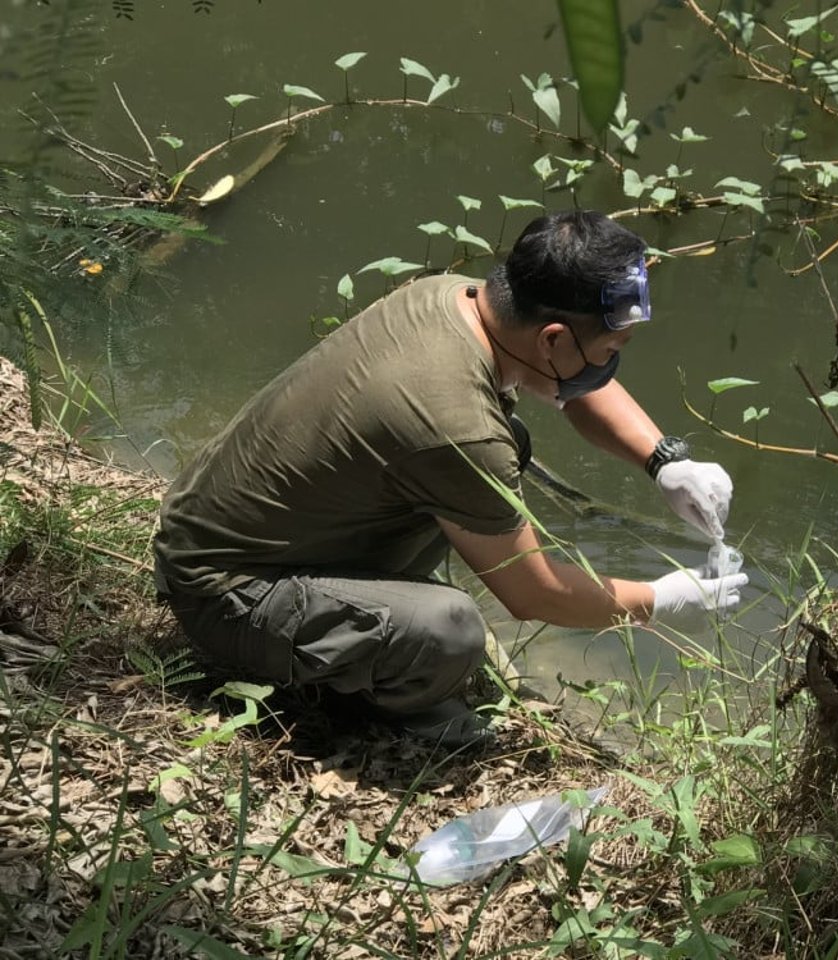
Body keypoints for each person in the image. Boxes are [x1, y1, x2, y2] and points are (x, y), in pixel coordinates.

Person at [152, 210, 748, 744]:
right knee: (449, 630)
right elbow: (533, 593)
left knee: (506, 444)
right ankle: (397, 704)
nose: (613, 361)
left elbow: (571, 381)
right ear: (554, 338)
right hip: (223, 590)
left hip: (217, 525)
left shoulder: (457, 300)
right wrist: (667, 598)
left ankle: (367, 606)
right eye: (612, 346)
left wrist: (665, 459)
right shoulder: (456, 426)